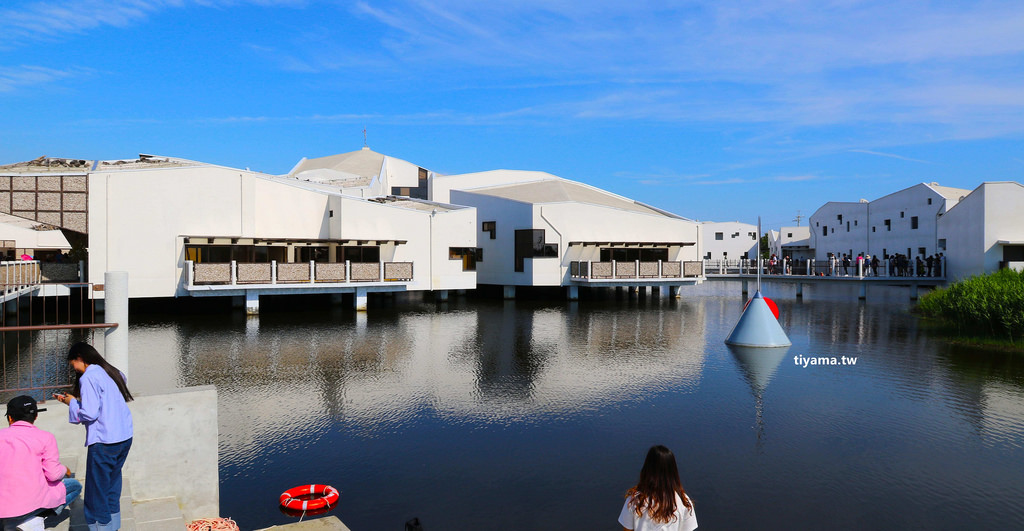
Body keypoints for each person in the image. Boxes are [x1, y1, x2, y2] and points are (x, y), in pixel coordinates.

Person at [53, 343, 133, 531]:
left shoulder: (89, 377)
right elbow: (103, 402)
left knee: (96, 494)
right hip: (123, 437)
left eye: (72, 362)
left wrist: (72, 403)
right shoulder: (111, 372)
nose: (73, 367)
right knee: (112, 488)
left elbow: (89, 413)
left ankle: (102, 528)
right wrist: (76, 402)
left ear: (80, 357)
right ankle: (113, 526)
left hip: (104, 441)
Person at [1, 395, 82, 531]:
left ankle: (12, 520)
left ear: (10, 418)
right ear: (36, 417)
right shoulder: (45, 437)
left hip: (3, 505)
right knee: (75, 486)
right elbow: (53, 475)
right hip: (29, 503)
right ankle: (35, 517)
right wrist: (65, 469)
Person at [619, 445, 697, 531]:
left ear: (647, 468)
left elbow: (627, 529)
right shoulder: (684, 501)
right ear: (673, 471)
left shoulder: (635, 499)